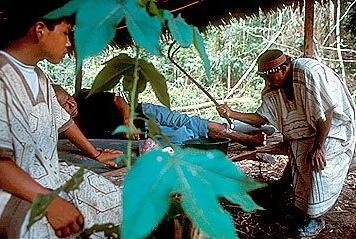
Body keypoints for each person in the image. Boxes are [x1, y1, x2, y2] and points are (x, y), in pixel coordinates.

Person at [0, 2, 122, 238]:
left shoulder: (40, 77)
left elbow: (62, 122)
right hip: (12, 192)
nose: (68, 43)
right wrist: (47, 201)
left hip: (48, 177)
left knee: (112, 202)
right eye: (66, 33)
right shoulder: (3, 77)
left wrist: (95, 153)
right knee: (45, 229)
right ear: (40, 30)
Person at [217, 49, 356, 237]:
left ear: (284, 69)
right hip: (308, 130)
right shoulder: (276, 85)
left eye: (271, 77)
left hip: (334, 128)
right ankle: (297, 203)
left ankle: (316, 218)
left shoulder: (307, 73)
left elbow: (326, 115)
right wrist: (232, 114)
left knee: (318, 166)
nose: (268, 83)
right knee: (300, 157)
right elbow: (262, 117)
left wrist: (319, 147)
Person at [53, 86, 275, 146]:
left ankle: (250, 138)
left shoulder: (85, 98)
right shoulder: (69, 128)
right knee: (190, 136)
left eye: (68, 98)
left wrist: (127, 121)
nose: (70, 104)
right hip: (147, 136)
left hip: (145, 115)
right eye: (63, 105)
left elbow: (119, 101)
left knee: (192, 125)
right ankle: (250, 133)